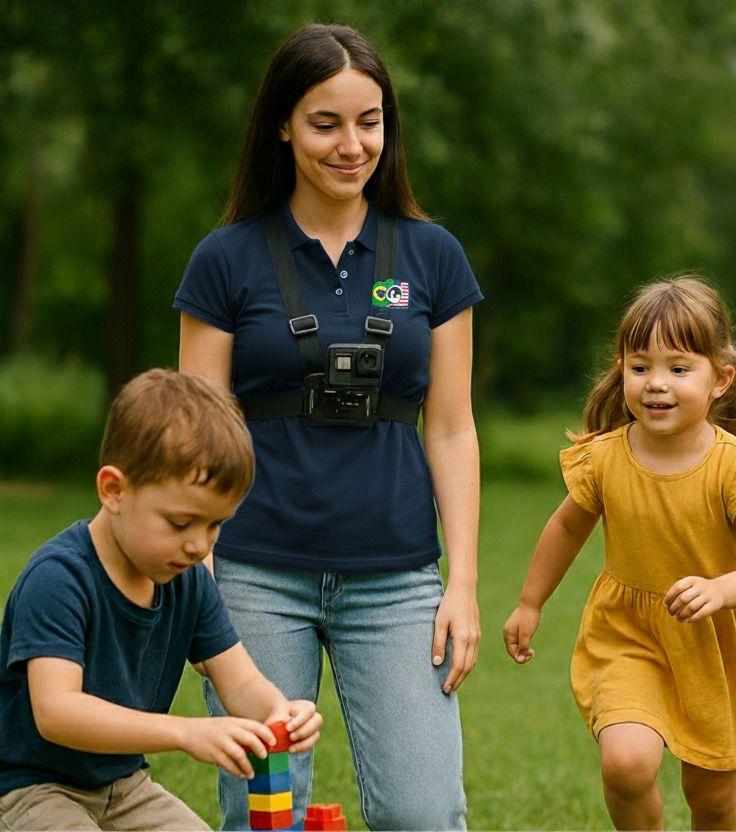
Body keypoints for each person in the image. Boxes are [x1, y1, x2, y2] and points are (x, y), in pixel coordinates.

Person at [174, 24, 483, 831]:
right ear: (282, 125)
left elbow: (450, 429)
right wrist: (200, 575)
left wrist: (464, 583)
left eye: (370, 122)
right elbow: (199, 432)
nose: (353, 145)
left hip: (397, 578)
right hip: (254, 574)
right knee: (267, 814)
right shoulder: (225, 258)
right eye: (326, 123)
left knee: (423, 813)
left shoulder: (434, 257)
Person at [503, 276, 736, 830]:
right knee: (626, 764)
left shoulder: (735, 468)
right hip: (629, 633)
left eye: (678, 368)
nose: (656, 384)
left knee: (709, 796)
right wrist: (529, 602)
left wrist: (719, 589)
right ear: (622, 371)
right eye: (640, 367)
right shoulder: (605, 458)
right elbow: (566, 528)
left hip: (715, 641)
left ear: (719, 380)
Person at [0, 369, 322, 831]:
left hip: (124, 787)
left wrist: (279, 713)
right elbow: (57, 712)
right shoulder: (59, 579)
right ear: (114, 490)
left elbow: (241, 683)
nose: (198, 545)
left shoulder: (187, 580)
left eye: (214, 525)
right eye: (180, 523)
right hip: (34, 789)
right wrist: (185, 732)